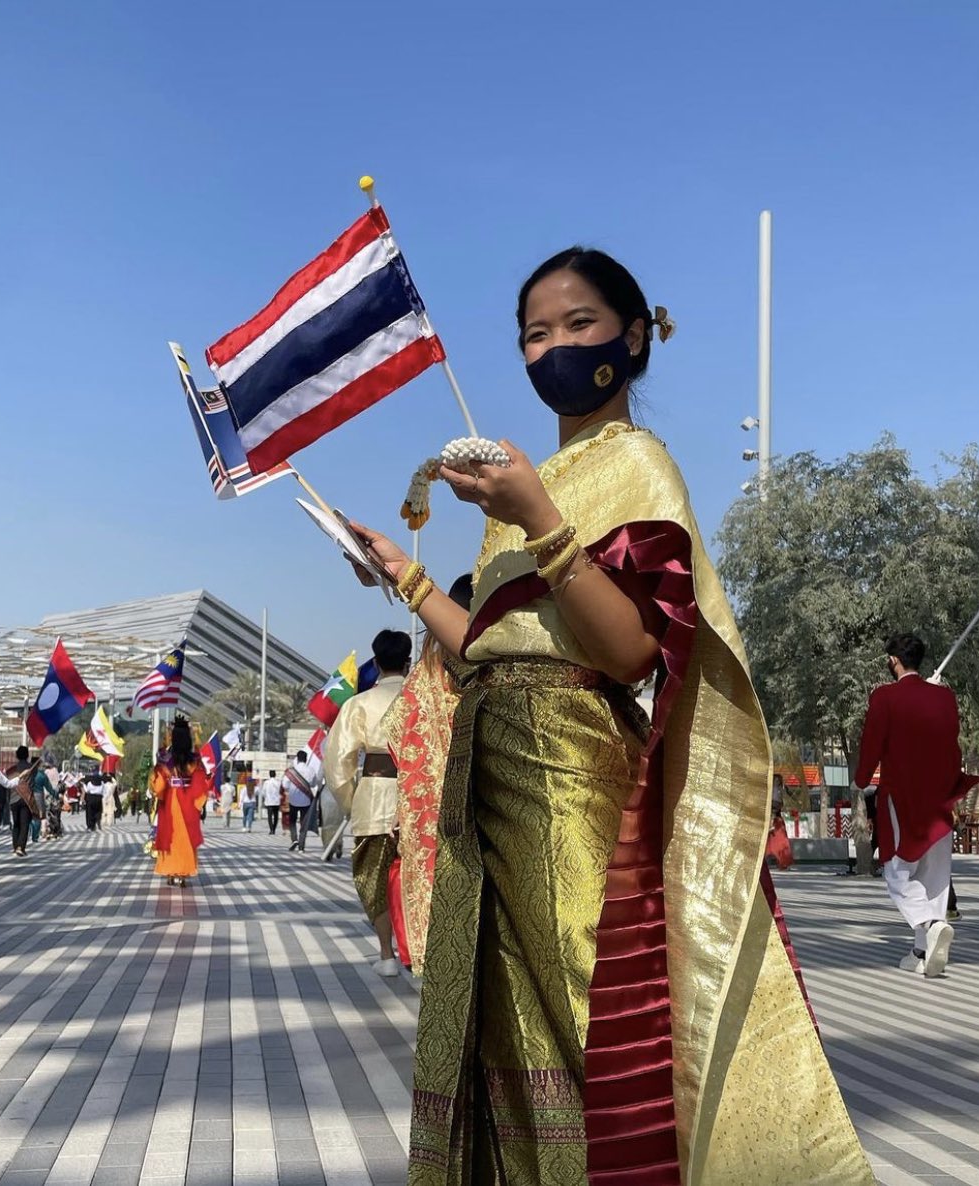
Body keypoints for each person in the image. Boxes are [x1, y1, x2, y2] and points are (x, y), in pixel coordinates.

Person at [347, 247, 874, 1183]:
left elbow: (629, 648)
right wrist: (404, 573)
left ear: (633, 337)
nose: (553, 347)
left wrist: (542, 521)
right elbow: (487, 648)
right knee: (506, 1014)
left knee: (588, 1004)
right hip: (496, 770)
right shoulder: (525, 483)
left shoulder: (634, 462)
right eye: (533, 335)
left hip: (569, 768)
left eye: (577, 325)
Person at [853, 633, 979, 979]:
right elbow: (950, 744)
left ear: (893, 660)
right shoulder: (944, 697)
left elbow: (873, 741)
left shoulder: (884, 696)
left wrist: (861, 777)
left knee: (897, 872)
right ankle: (923, 950)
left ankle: (928, 923)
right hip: (939, 799)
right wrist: (934, 695)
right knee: (934, 877)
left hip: (903, 798)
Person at [381, 575, 474, 976]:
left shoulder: (423, 675)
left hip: (419, 810)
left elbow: (397, 732)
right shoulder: (491, 663)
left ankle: (393, 956)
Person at [324, 629, 411, 978]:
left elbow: (338, 765)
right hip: (419, 800)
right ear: (408, 663)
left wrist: (351, 803)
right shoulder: (425, 700)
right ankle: (417, 952)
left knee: (373, 879)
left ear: (376, 663)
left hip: (373, 799)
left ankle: (387, 953)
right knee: (417, 877)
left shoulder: (358, 704)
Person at [151, 716, 209, 886]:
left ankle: (169, 872)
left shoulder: (165, 758)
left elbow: (159, 784)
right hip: (188, 800)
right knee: (186, 837)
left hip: (170, 801)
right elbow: (201, 780)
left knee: (170, 835)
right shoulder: (194, 759)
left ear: (174, 737)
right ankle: (183, 874)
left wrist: (156, 786)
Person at [5, 746, 43, 858]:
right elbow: (34, 778)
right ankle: (20, 847)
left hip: (13, 799)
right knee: (24, 824)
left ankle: (15, 846)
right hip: (26, 799)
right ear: (27, 755)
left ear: (17, 755)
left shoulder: (10, 770)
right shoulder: (32, 769)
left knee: (16, 823)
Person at [281, 753, 313, 850]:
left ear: (297, 759)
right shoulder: (310, 770)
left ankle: (294, 839)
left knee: (292, 821)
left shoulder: (291, 771)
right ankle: (301, 847)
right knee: (304, 823)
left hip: (293, 800)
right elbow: (314, 783)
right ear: (306, 759)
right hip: (306, 801)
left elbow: (285, 785)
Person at [261, 770, 283, 835]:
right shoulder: (278, 782)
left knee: (270, 816)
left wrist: (265, 798)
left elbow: (263, 792)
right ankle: (274, 828)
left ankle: (271, 829)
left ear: (269, 775)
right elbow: (281, 791)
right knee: (276, 816)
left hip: (269, 801)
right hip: (276, 801)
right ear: (275, 775)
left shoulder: (266, 782)